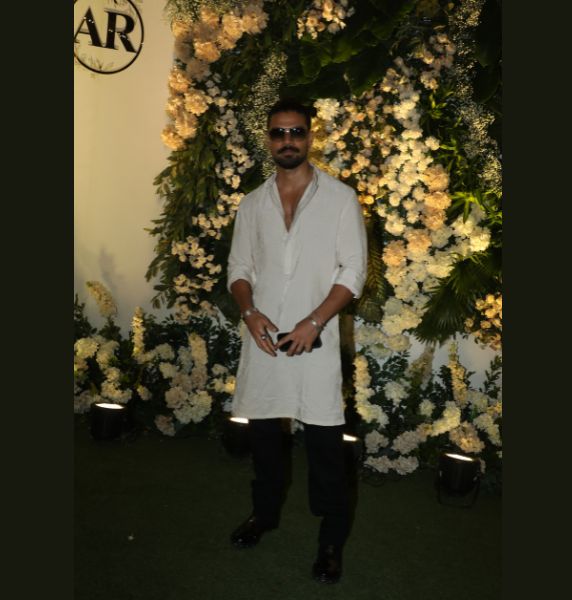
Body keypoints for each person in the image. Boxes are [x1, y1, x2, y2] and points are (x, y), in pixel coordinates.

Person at [225, 98, 368, 584]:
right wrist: (249, 312)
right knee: (264, 440)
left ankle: (330, 542)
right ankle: (263, 515)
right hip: (263, 337)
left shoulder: (340, 199)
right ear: (268, 139)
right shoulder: (252, 203)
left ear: (311, 136)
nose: (288, 140)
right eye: (278, 133)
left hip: (315, 340)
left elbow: (353, 271)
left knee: (326, 447)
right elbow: (239, 268)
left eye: (296, 132)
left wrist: (314, 321)